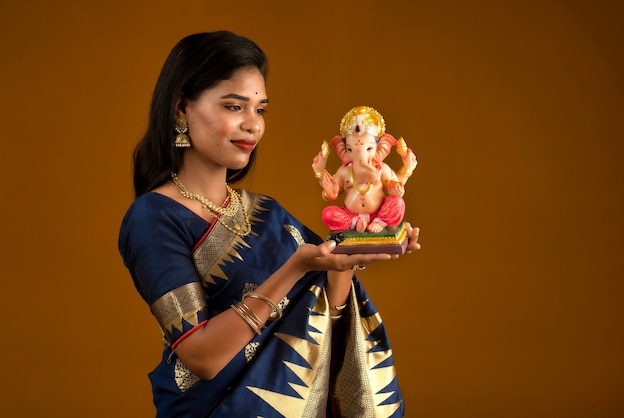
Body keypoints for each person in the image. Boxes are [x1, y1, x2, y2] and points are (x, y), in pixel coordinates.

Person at [118, 30, 420, 418]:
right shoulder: (153, 217)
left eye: (259, 110)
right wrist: (296, 267)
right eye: (234, 107)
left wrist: (348, 259)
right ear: (181, 108)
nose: (253, 125)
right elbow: (202, 356)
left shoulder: (266, 211)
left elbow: (326, 315)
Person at [312, 106, 418, 234]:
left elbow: (394, 186)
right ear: (343, 149)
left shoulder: (381, 169)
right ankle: (355, 222)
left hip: (378, 214)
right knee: (328, 214)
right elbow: (330, 194)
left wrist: (406, 171)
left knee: (398, 203)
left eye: (369, 149)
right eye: (350, 150)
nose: (360, 155)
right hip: (351, 215)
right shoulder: (344, 171)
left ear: (380, 147)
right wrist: (320, 172)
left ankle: (380, 222)